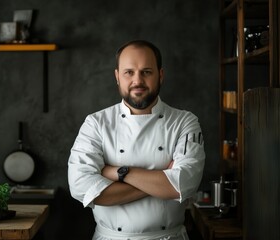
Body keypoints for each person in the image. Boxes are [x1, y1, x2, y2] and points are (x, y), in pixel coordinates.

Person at [68, 40, 205, 240]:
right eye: (129, 72)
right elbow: (81, 187)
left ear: (161, 75)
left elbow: (184, 184)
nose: (137, 80)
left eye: (146, 72)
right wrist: (163, 179)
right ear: (117, 77)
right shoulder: (96, 123)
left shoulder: (184, 122)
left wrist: (118, 172)